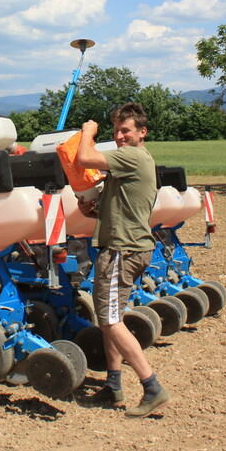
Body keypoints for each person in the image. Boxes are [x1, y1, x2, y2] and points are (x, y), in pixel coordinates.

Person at [75, 102, 168, 418]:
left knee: (112, 321)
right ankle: (113, 385)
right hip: (125, 248)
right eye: (115, 131)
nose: (119, 136)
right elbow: (119, 205)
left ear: (142, 133)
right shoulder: (130, 164)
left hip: (122, 251)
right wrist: (93, 210)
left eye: (125, 130)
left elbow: (84, 157)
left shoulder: (133, 156)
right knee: (109, 319)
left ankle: (152, 386)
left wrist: (88, 132)